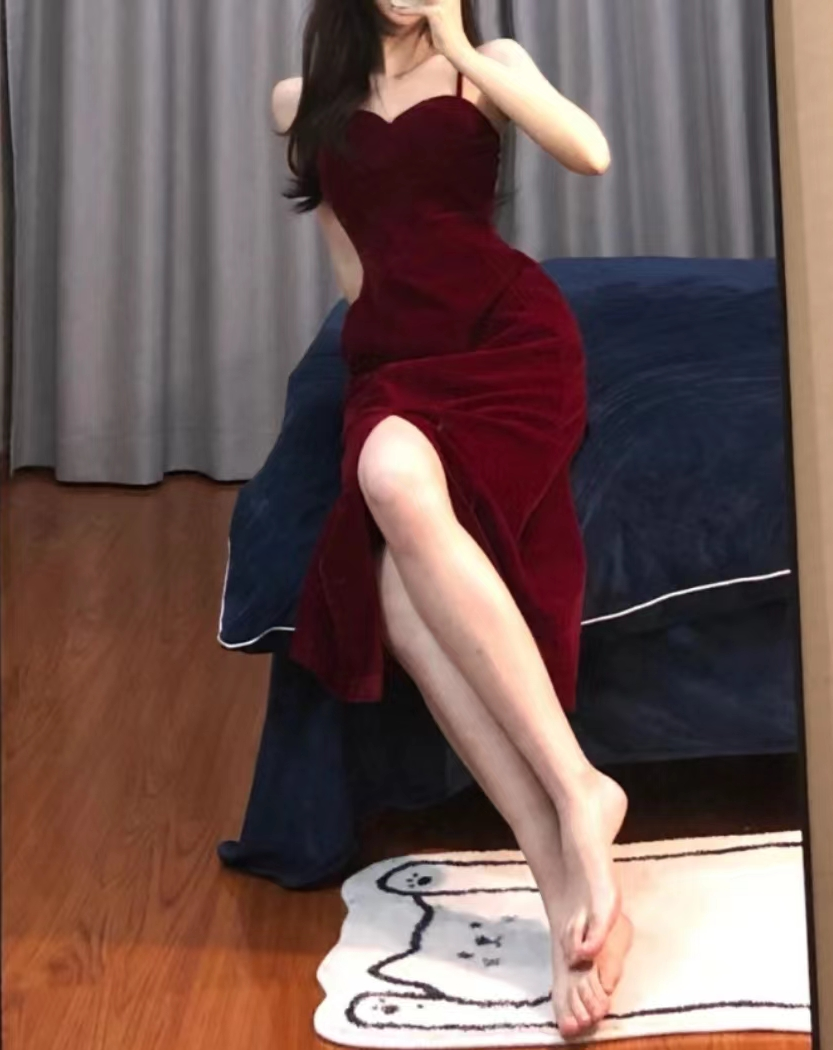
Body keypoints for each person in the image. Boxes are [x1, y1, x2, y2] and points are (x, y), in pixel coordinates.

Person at [271, 0, 633, 1037]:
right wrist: (361, 365)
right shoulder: (300, 100)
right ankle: (563, 881)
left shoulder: (488, 64)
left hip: (508, 339)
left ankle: (577, 796)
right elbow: (352, 268)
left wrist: (465, 47)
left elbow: (591, 153)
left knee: (390, 527)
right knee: (389, 566)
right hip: (396, 360)